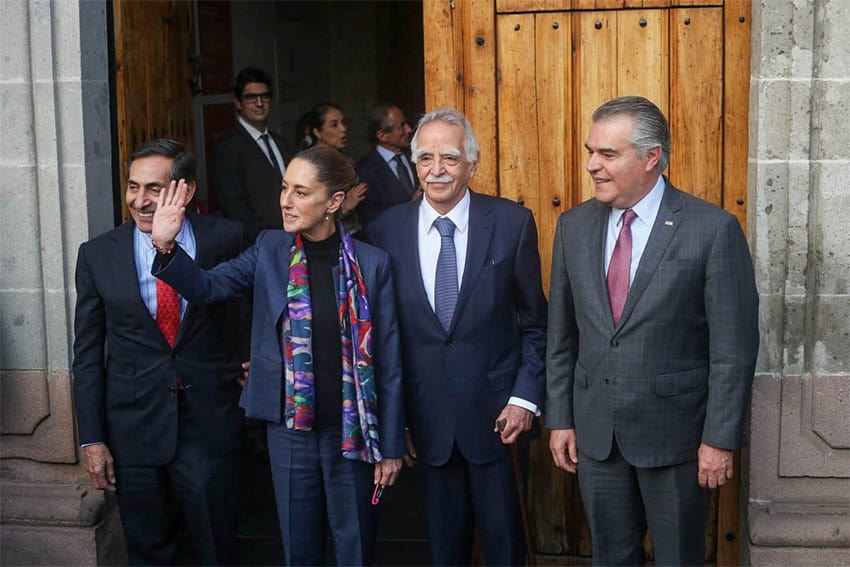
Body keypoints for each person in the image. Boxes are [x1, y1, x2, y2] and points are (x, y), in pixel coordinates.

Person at [150, 145, 405, 566]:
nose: (286, 200)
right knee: (298, 549)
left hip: (354, 432)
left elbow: (390, 362)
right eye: (285, 188)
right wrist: (166, 246)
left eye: (301, 192)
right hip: (289, 430)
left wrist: (391, 445)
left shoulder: (372, 264)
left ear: (334, 202)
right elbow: (207, 287)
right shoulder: (270, 249)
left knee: (356, 546)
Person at [546, 96, 759, 566]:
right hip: (597, 436)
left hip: (677, 438)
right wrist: (560, 416)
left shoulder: (712, 230)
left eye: (607, 154)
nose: (591, 165)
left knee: (677, 558)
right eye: (590, 151)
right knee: (611, 557)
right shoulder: (573, 226)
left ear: (651, 157)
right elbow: (561, 336)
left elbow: (734, 350)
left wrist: (719, 440)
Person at [369, 108, 547, 565]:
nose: (436, 169)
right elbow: (383, 339)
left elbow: (535, 324)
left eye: (449, 157)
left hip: (498, 421)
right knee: (444, 551)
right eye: (425, 158)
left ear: (473, 161)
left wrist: (525, 400)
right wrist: (395, 420)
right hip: (426, 425)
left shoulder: (511, 223)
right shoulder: (385, 231)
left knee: (507, 546)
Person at [72, 139, 243, 565]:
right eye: (133, 187)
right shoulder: (98, 255)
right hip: (133, 428)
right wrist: (92, 438)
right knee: (148, 550)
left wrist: (253, 363)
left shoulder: (225, 238)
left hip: (207, 422)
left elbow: (251, 312)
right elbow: (89, 353)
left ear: (185, 190)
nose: (141, 200)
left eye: (154, 188)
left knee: (215, 547)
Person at [214, 66, 293, 243]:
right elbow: (235, 207)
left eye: (264, 96)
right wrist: (267, 242)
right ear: (238, 102)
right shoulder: (228, 147)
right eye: (251, 98)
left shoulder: (281, 143)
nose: (259, 103)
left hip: (293, 238)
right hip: (259, 246)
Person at [356, 103, 419, 229]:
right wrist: (410, 207)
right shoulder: (366, 169)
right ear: (382, 135)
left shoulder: (416, 157)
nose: (409, 130)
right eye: (401, 126)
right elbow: (371, 218)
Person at [307, 102, 367, 226]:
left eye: (343, 123)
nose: (343, 129)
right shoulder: (309, 165)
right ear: (317, 132)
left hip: (354, 232)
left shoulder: (345, 159)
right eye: (334, 125)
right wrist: (345, 207)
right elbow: (309, 209)